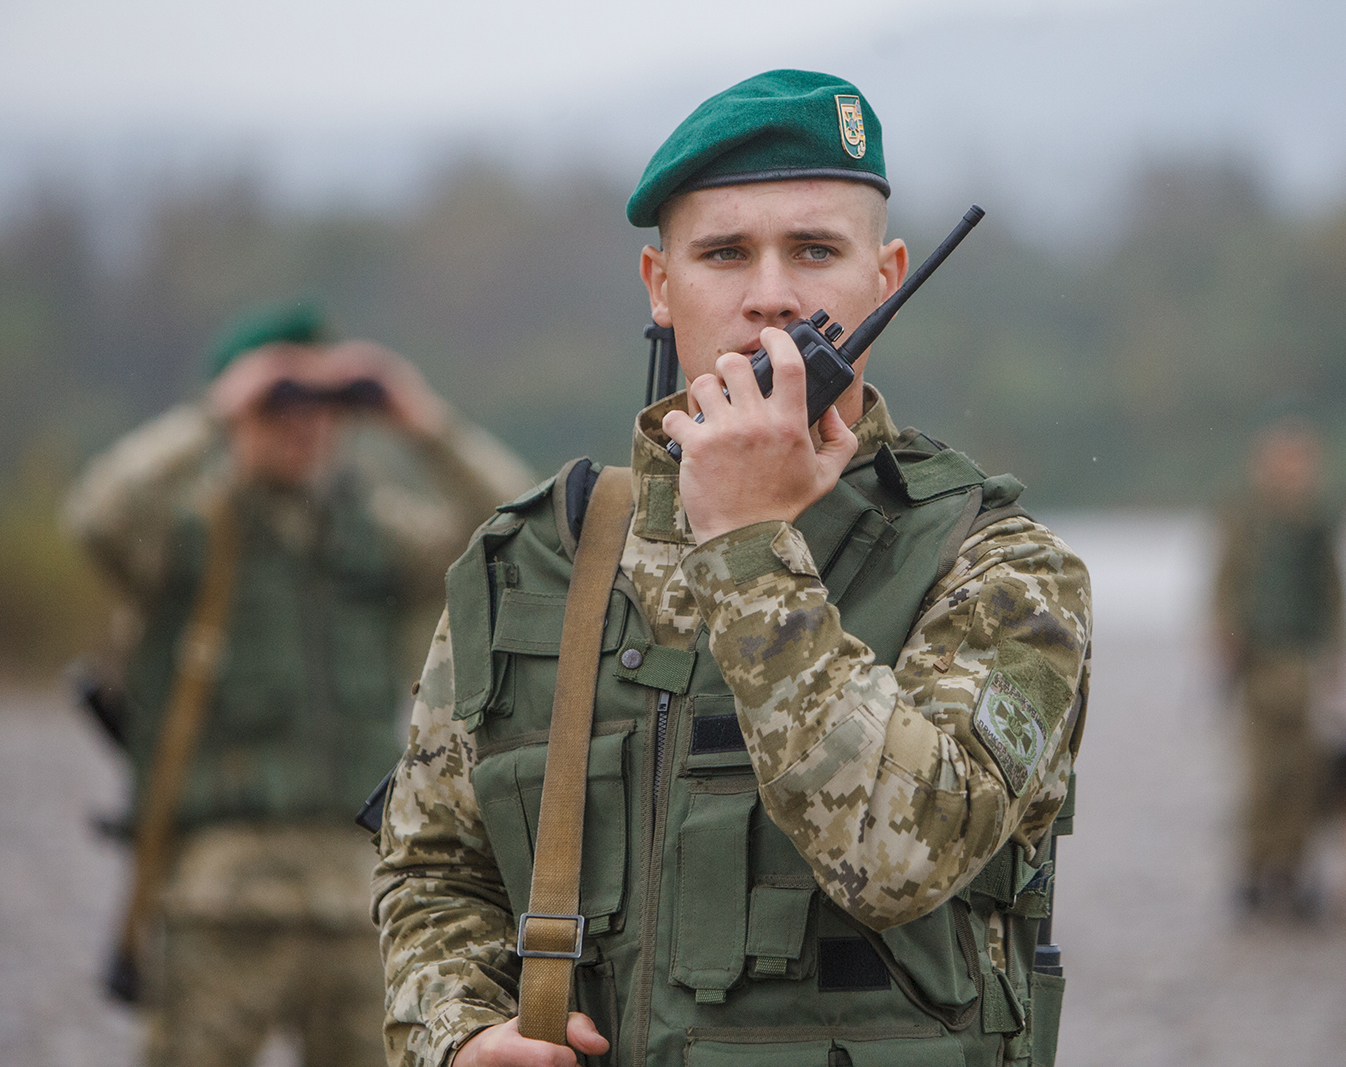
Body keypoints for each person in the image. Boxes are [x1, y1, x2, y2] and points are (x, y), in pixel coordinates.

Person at [374, 70, 1092, 1067]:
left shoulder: (999, 568)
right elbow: (434, 869)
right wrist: (457, 1034)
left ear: (884, 277)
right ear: (659, 286)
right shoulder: (534, 559)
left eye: (813, 249)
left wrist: (749, 541)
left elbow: (897, 856)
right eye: (722, 252)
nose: (770, 294)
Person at [64, 302, 532, 1067]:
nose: (306, 425)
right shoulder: (188, 534)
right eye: (281, 405)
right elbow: (98, 514)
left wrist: (423, 423)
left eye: (326, 407)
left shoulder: (367, 535)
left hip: (357, 893)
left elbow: (516, 535)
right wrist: (215, 413)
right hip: (219, 897)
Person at [1212, 416, 1345, 922]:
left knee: (1305, 772)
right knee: (1261, 774)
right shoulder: (1245, 515)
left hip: (1300, 661)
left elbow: (1334, 592)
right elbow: (1225, 580)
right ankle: (1254, 872)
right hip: (1257, 663)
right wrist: (1221, 638)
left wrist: (1338, 653)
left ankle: (1294, 873)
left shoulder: (1317, 520)